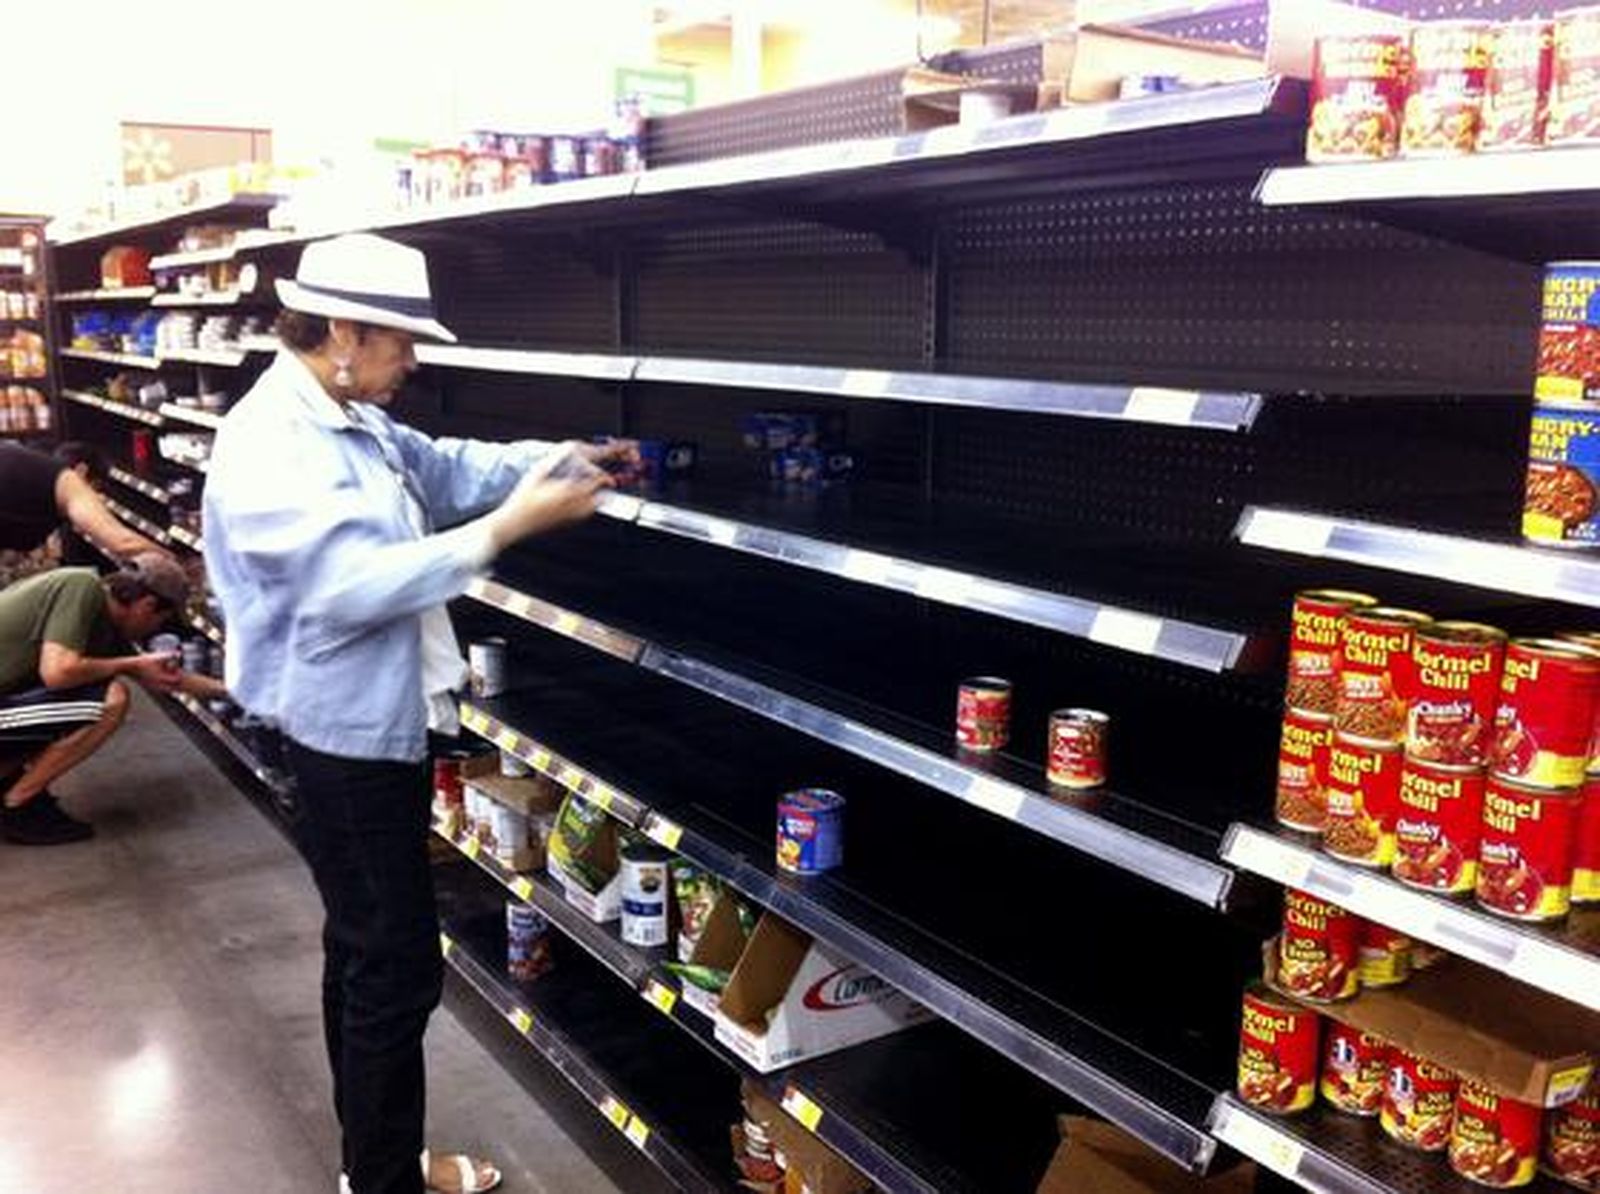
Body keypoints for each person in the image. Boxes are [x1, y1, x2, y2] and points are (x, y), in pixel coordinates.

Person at [203, 233, 632, 1194]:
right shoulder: (274, 441)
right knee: (393, 966)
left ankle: (374, 1163)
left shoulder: (347, 414)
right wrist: (510, 528)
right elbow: (351, 585)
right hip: (334, 735)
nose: (415, 361)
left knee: (362, 950)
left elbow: (441, 468)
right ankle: (386, 1180)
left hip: (368, 722)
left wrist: (557, 460)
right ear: (345, 332)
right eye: (402, 340)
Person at [0, 553, 223, 844]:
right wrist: (128, 665)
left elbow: (170, 679)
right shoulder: (80, 585)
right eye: (162, 620)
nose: (156, 630)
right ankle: (17, 804)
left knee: (78, 702)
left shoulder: (103, 626)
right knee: (110, 700)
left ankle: (10, 781)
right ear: (147, 606)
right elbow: (58, 672)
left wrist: (236, 690)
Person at [0, 439, 170, 561]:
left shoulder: (37, 477)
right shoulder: (69, 483)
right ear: (82, 470)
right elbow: (123, 543)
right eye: (95, 489)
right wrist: (173, 560)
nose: (97, 499)